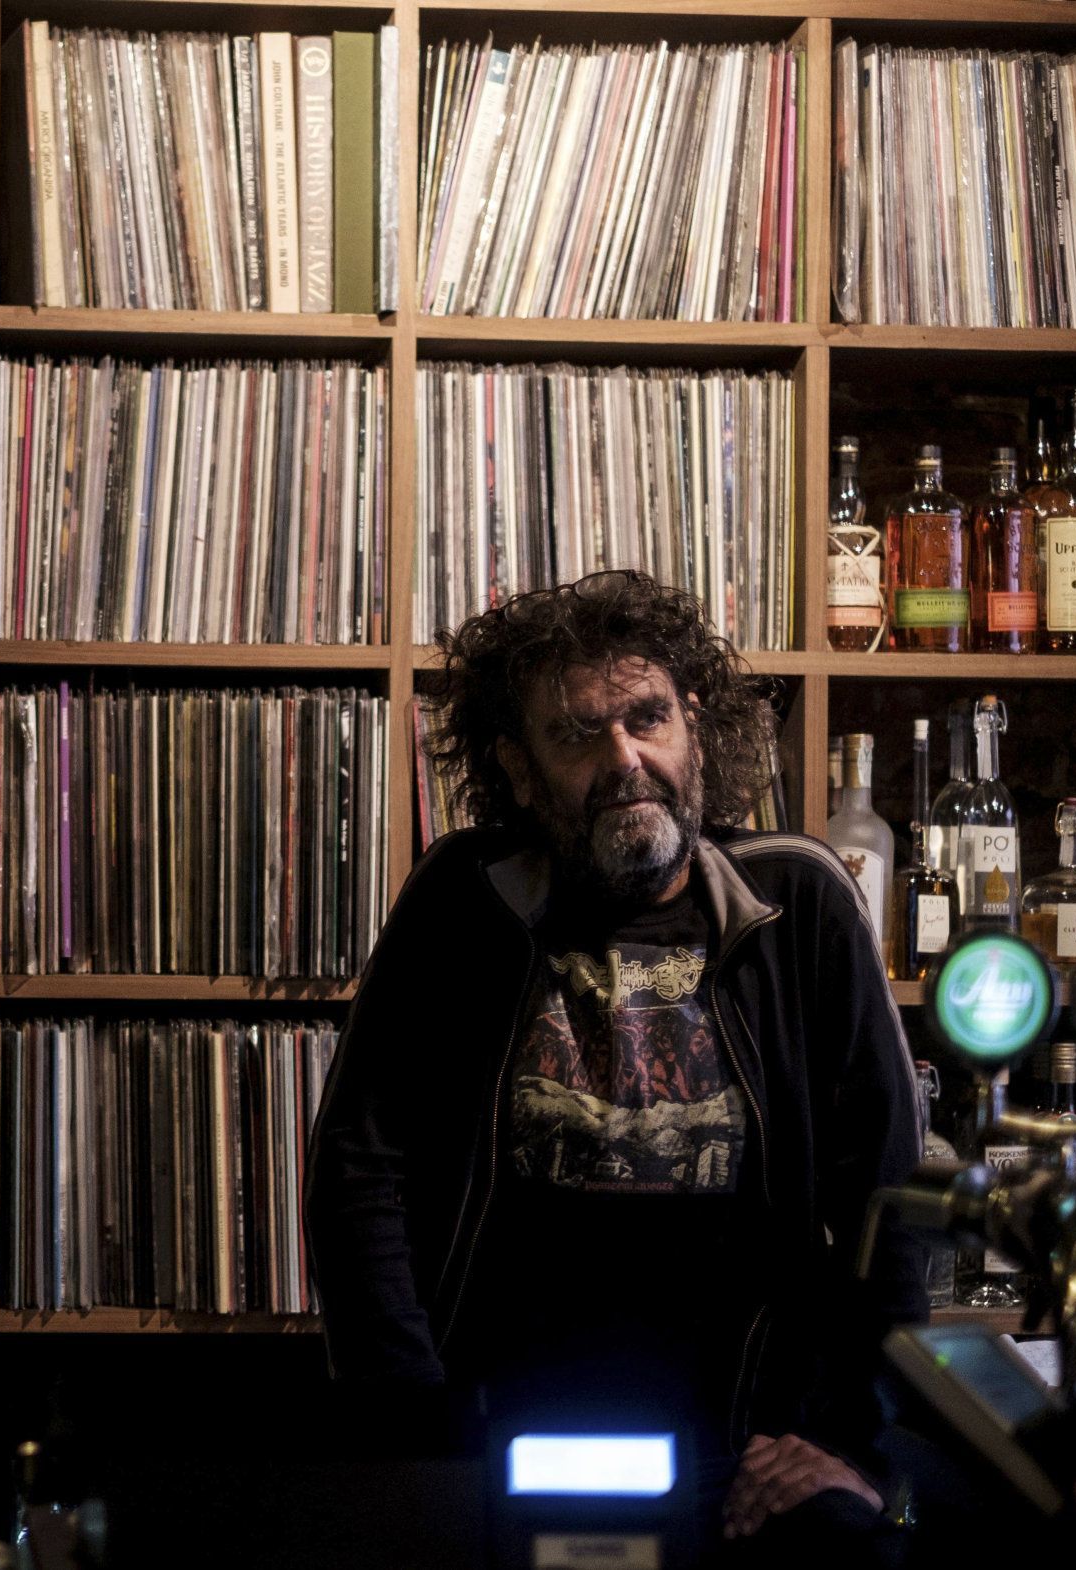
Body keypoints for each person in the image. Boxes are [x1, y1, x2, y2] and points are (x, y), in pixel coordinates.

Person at [305, 570, 924, 1559]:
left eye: (648, 717)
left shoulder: (800, 901)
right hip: (493, 1439)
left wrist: (851, 1443)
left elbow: (887, 1199)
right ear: (517, 766)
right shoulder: (462, 904)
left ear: (696, 729)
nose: (625, 758)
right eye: (578, 733)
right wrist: (417, 1433)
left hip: (750, 1455)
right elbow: (360, 1171)